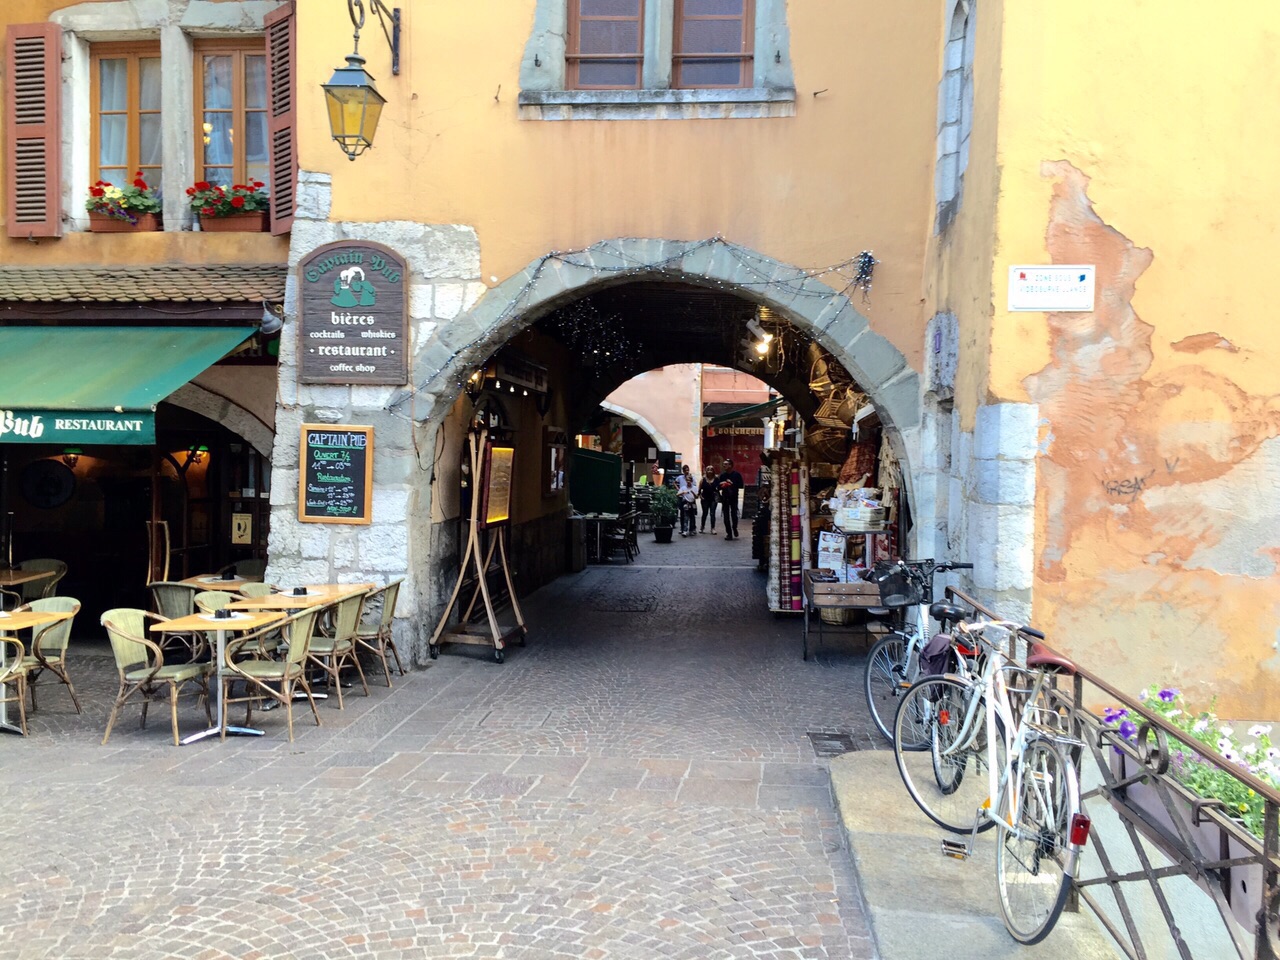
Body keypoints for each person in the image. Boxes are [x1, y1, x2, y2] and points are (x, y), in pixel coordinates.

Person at [717, 458, 744, 540]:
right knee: (726, 516)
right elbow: (717, 487)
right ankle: (729, 533)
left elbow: (741, 485)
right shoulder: (722, 475)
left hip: (734, 497)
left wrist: (732, 484)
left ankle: (734, 528)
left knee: (734, 515)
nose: (724, 465)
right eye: (723, 464)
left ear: (730, 465)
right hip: (725, 498)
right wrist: (721, 484)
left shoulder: (736, 475)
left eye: (726, 464)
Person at [676, 464, 698, 537]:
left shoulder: (694, 485)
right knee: (684, 515)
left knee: (692, 516)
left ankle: (692, 529)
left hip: (692, 501)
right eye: (685, 470)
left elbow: (696, 495)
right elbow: (677, 493)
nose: (687, 471)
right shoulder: (682, 483)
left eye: (687, 470)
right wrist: (681, 491)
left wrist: (693, 493)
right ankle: (684, 529)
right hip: (685, 501)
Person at [698, 464, 719, 533]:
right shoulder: (703, 479)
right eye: (708, 470)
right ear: (706, 471)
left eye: (711, 470)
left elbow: (719, 488)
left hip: (713, 498)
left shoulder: (716, 479)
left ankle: (713, 528)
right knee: (705, 513)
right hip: (705, 498)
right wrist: (701, 496)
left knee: (712, 513)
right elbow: (699, 490)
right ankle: (702, 527)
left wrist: (718, 496)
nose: (710, 471)